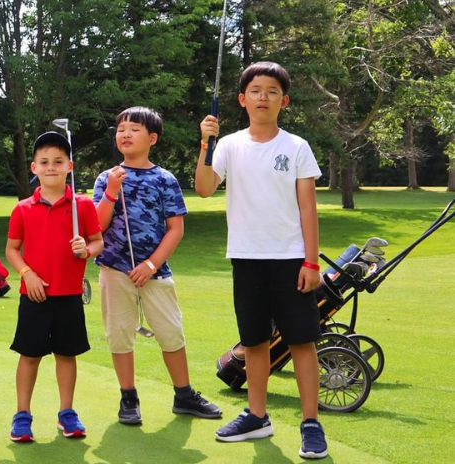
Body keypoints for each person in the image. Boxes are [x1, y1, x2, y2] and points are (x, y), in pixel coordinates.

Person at [194, 61, 327, 459]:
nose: (263, 97)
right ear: (241, 99)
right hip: (246, 258)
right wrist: (205, 143)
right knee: (254, 342)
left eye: (272, 91)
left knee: (301, 341)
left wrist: (311, 262)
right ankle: (257, 416)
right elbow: (203, 189)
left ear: (283, 101)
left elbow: (308, 209)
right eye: (255, 90)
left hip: (290, 259)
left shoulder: (296, 146)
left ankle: (310, 423)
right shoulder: (229, 144)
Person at [93, 106, 222, 426]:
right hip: (114, 269)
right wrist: (110, 191)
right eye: (121, 128)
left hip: (154, 271)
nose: (125, 133)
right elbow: (95, 226)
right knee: (119, 335)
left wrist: (151, 264)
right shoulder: (106, 177)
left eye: (134, 128)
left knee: (171, 333)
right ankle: (128, 397)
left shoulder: (164, 179)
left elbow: (175, 228)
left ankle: (184, 395)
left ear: (152, 138)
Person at [5, 131, 104, 442]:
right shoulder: (22, 208)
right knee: (30, 355)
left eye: (58, 161)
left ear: (69, 166)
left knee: (66, 354)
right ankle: (22, 414)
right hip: (34, 295)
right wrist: (27, 274)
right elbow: (11, 250)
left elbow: (97, 242)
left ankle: (66, 412)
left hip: (69, 294)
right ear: (34, 168)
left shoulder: (83, 206)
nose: (51, 167)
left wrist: (85, 250)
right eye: (44, 162)